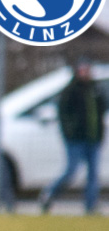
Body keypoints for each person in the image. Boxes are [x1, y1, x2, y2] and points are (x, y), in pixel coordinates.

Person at [40, 60, 103, 215]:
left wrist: (100, 133)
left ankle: (90, 206)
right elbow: (63, 114)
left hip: (93, 138)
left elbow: (100, 112)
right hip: (76, 139)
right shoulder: (71, 90)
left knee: (93, 174)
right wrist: (70, 132)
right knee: (71, 171)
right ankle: (49, 193)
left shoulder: (95, 89)